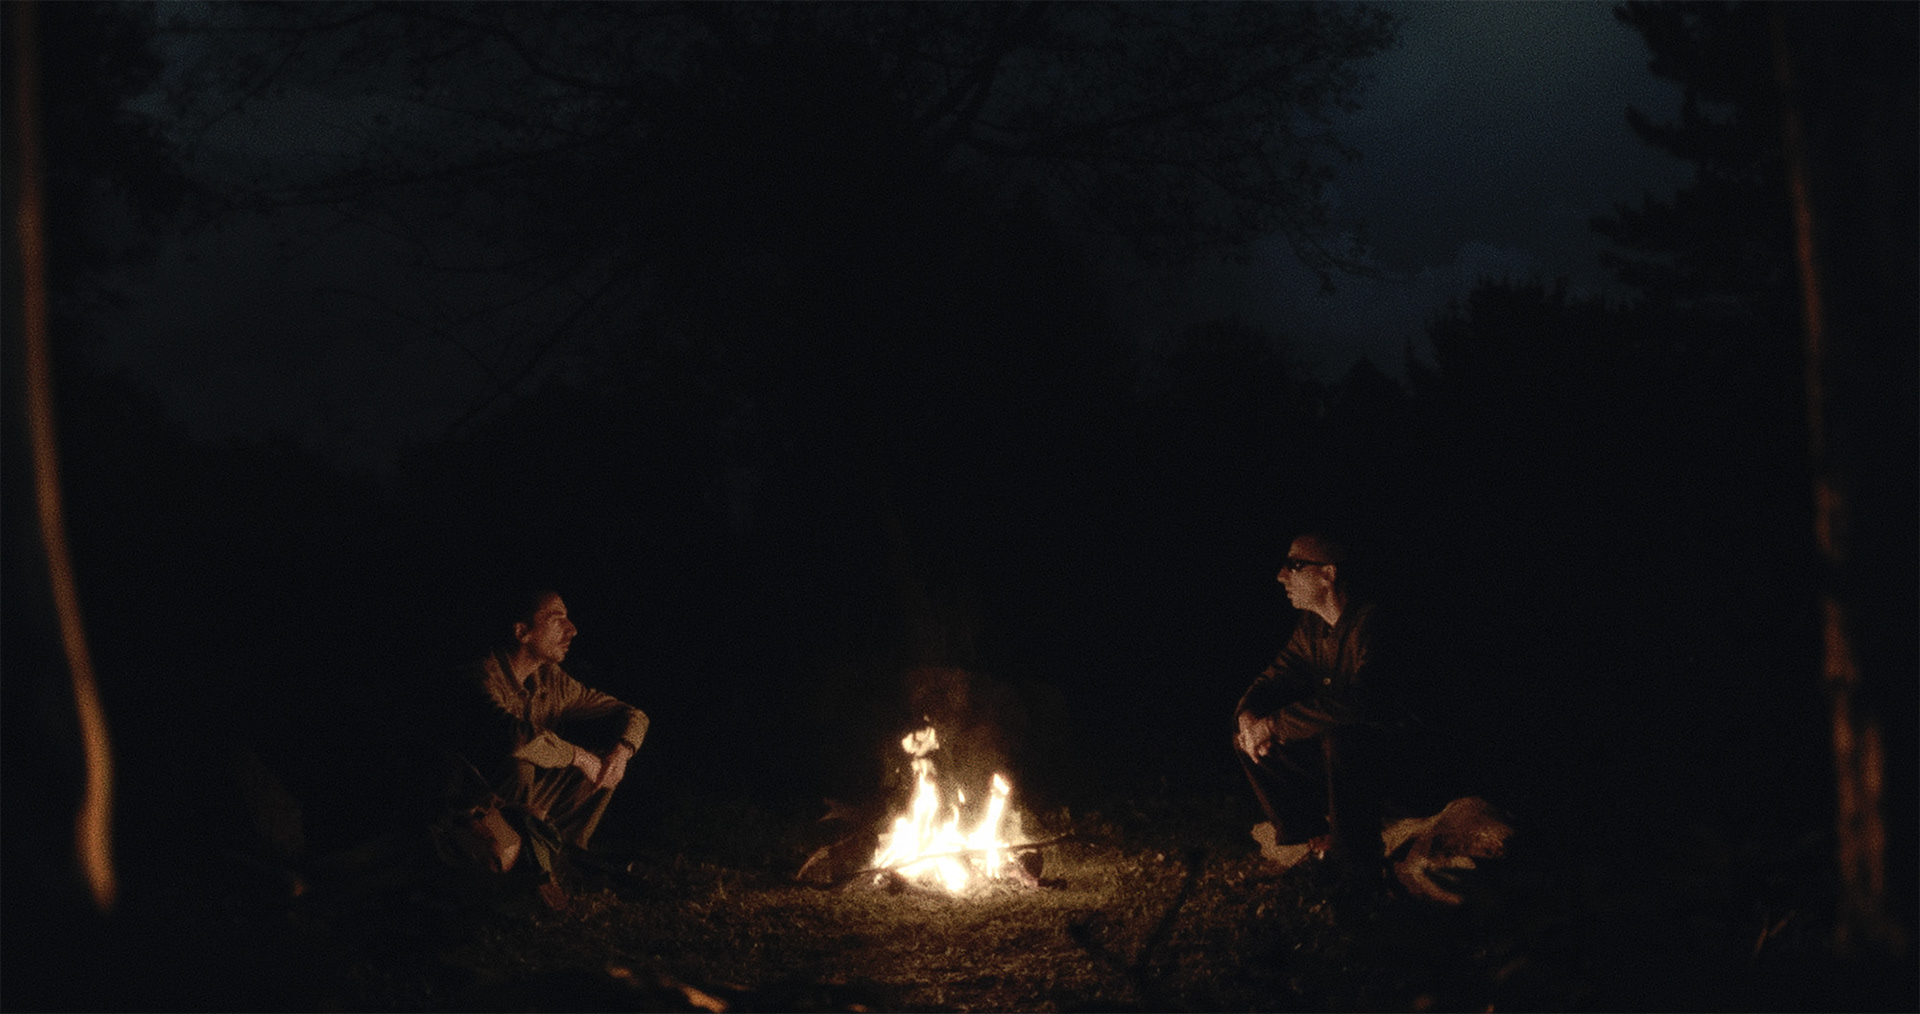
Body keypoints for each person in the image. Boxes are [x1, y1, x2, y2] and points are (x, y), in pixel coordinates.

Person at [437, 590, 649, 883]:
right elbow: (514, 738)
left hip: (522, 799)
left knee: (603, 762)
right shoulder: (481, 676)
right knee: (520, 764)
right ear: (522, 632)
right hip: (472, 807)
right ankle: (516, 861)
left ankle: (564, 853)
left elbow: (633, 714)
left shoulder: (550, 678)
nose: (572, 630)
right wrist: (577, 756)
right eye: (557, 620)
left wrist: (622, 751)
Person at [1233, 531, 1398, 867]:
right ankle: (1310, 835)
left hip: (1402, 761)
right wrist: (1249, 715)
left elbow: (1362, 700)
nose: (1281, 576)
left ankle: (1356, 861)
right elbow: (1276, 676)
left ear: (1328, 574)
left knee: (1343, 739)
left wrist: (1275, 724)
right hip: (1347, 765)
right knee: (1248, 737)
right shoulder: (1312, 626)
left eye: (1294, 565)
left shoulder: (1374, 623)